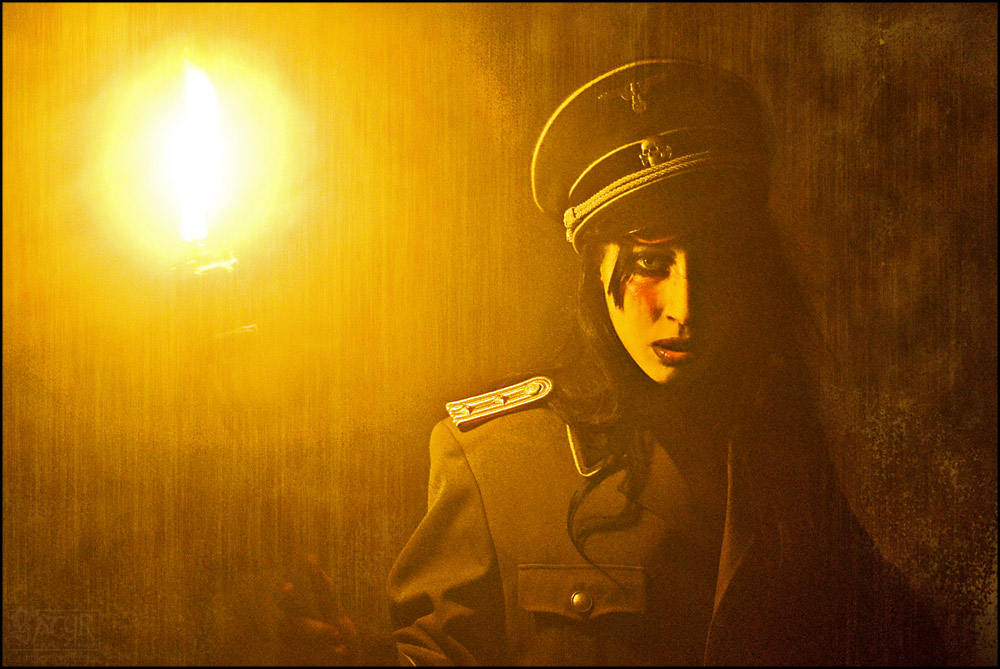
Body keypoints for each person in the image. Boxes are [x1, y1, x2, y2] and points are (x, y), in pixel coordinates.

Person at [275, 59, 942, 666]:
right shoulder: (492, 461)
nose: (684, 307)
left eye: (713, 262)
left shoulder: (786, 447)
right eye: (650, 262)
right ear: (595, 273)